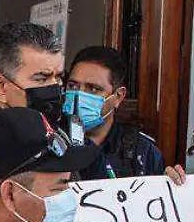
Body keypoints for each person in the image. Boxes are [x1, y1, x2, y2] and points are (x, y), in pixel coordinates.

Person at [64, 45, 166, 179]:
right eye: (73, 86)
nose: (79, 95)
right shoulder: (48, 140)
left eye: (93, 89)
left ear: (118, 96)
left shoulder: (142, 152)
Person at [0, 21, 66, 119]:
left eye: (58, 77)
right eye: (41, 79)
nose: (55, 87)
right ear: (0, 86)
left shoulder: (65, 132)